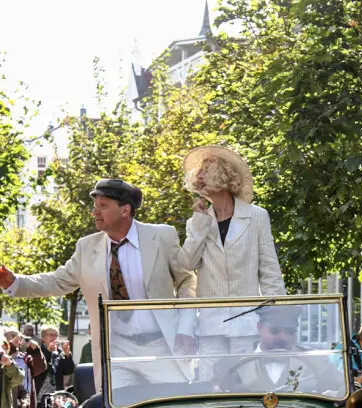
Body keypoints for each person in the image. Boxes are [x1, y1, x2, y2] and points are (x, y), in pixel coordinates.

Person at [0, 178, 197, 392]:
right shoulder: (86, 247)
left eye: (103, 206)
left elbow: (187, 279)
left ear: (125, 210)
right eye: (95, 206)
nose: (95, 212)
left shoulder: (162, 236)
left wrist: (186, 328)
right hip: (115, 351)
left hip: (162, 347)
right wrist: (16, 282)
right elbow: (58, 280)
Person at [179, 145, 286, 379]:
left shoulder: (257, 216)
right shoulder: (198, 221)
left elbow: (269, 269)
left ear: (223, 175)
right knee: (210, 390)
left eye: (206, 170)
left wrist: (278, 317)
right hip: (210, 326)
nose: (199, 176)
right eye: (199, 172)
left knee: (248, 388)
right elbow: (187, 263)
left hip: (246, 325)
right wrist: (199, 223)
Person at [214, 306, 343, 395]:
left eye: (290, 332)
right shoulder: (230, 364)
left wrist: (335, 394)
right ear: (259, 327)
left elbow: (344, 388)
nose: (283, 337)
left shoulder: (317, 361)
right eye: (275, 331)